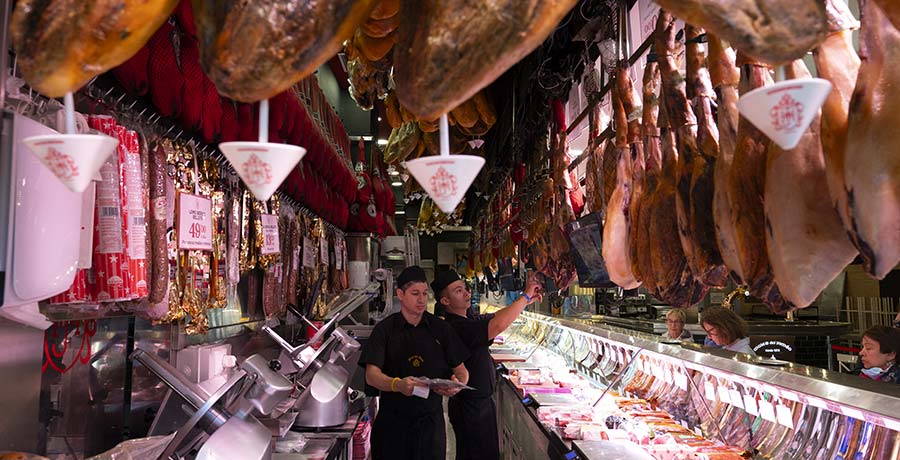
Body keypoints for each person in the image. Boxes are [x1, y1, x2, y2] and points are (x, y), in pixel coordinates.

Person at [359, 266, 471, 459]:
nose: (421, 300)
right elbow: (371, 376)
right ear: (400, 294)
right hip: (392, 426)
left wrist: (457, 385)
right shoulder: (385, 330)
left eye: (425, 294)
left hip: (430, 426)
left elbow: (462, 371)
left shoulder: (441, 328)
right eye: (415, 293)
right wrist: (397, 384)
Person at [432, 269, 541, 460]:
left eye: (464, 288)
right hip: (471, 408)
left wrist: (524, 302)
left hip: (480, 404)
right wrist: (523, 296)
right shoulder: (456, 327)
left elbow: (495, 318)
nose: (466, 293)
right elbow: (496, 326)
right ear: (445, 301)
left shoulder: (468, 318)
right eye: (458, 291)